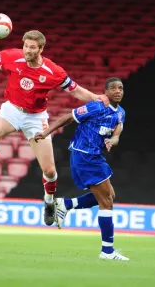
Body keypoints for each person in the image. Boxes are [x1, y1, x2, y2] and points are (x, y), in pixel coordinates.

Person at [0, 30, 109, 226]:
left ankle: (48, 201)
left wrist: (95, 97)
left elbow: (75, 90)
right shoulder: (11, 56)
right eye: (26, 46)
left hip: (36, 118)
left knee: (50, 170)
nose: (27, 51)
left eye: (32, 48)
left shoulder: (54, 71)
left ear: (41, 49)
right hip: (12, 109)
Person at [34, 77, 129, 260]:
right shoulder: (96, 106)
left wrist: (114, 139)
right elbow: (68, 117)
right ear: (106, 92)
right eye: (114, 88)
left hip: (94, 156)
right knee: (107, 201)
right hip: (84, 154)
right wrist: (46, 133)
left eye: (121, 88)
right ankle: (107, 251)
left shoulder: (121, 113)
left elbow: (118, 128)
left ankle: (66, 204)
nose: (118, 91)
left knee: (109, 196)